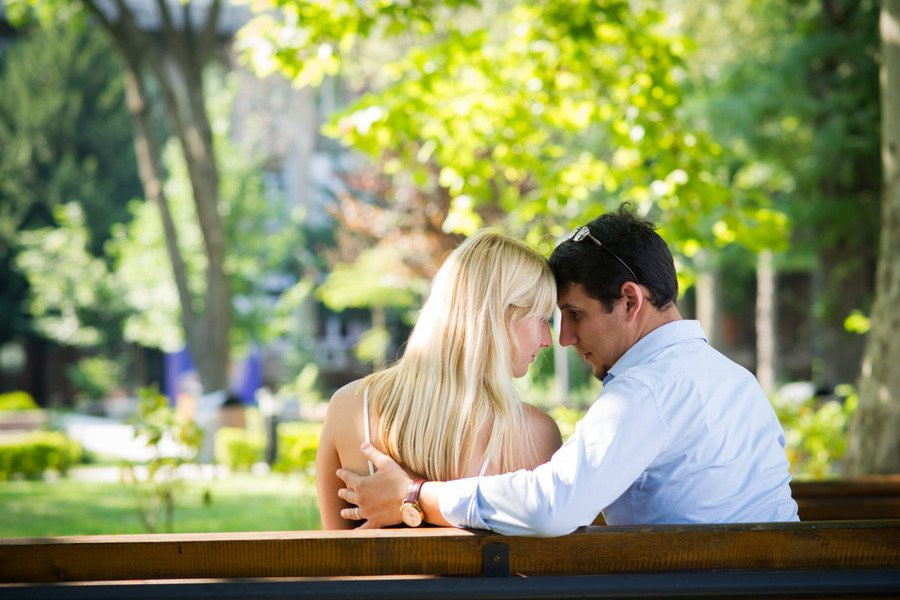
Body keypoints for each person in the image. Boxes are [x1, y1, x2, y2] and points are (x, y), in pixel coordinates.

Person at [335, 204, 799, 535]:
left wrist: (414, 495)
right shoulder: (737, 381)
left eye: (574, 314)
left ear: (630, 301)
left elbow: (551, 507)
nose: (564, 338)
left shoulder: (645, 391)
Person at [315, 230, 563, 529]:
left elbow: (336, 547)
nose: (549, 339)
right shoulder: (535, 434)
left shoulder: (349, 406)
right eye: (543, 318)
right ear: (501, 315)